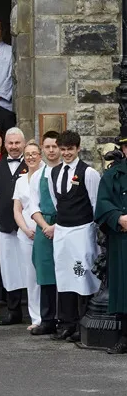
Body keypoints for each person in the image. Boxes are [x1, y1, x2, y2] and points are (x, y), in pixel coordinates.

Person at [48, 130, 101, 342]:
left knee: (82, 276)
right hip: (62, 231)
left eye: (70, 149)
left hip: (82, 230)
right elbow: (56, 202)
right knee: (64, 276)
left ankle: (83, 323)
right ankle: (66, 323)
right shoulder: (54, 172)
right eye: (63, 149)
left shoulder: (88, 173)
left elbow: (95, 203)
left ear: (78, 148)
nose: (66, 153)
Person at [95, 127, 127, 354]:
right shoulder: (112, 175)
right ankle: (124, 336)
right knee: (124, 288)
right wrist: (119, 218)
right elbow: (103, 204)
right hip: (122, 239)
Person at [0, 127, 28, 326]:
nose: (14, 147)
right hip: (6, 225)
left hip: (27, 227)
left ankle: (36, 312)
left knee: (29, 268)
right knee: (9, 269)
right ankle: (13, 311)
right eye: (11, 143)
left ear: (23, 144)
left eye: (17, 143)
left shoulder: (32, 163)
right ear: (5, 145)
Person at [28, 130, 61, 336]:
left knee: (65, 273)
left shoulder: (69, 173)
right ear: (42, 149)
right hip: (43, 227)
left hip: (65, 226)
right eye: (47, 147)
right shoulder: (37, 176)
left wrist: (58, 227)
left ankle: (67, 319)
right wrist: (45, 226)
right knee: (45, 273)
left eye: (54, 146)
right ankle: (47, 319)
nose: (51, 150)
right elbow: (33, 206)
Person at [12, 140, 43, 331]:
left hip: (44, 232)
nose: (31, 157)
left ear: (40, 155)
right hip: (25, 234)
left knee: (45, 275)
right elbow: (17, 209)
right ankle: (36, 316)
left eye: (34, 154)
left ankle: (51, 314)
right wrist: (24, 229)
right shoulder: (20, 180)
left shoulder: (46, 176)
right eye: (28, 154)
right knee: (30, 277)